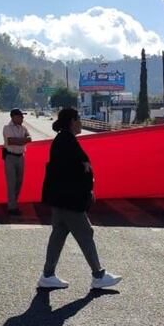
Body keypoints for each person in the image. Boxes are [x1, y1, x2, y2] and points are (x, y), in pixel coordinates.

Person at [39, 108, 122, 290]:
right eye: (79, 119)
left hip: (60, 197)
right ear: (72, 121)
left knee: (58, 235)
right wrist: (85, 171)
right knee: (86, 234)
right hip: (69, 199)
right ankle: (98, 275)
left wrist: (84, 168)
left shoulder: (63, 139)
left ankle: (47, 274)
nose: (81, 123)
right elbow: (78, 168)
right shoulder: (67, 141)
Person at [2, 108, 31, 216]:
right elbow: (11, 141)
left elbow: (30, 138)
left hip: (21, 157)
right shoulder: (7, 128)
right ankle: (12, 207)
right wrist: (23, 141)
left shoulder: (23, 128)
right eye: (20, 116)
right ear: (14, 117)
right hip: (10, 157)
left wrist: (21, 141)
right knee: (11, 183)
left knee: (19, 182)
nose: (22, 118)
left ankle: (13, 202)